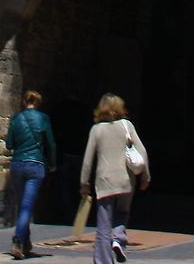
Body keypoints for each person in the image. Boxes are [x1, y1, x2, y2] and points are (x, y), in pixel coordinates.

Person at [80, 94, 149, 264]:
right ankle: (118, 238)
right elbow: (143, 152)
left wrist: (84, 184)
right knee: (123, 213)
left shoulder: (96, 130)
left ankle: (103, 261)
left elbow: (88, 161)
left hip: (104, 182)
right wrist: (145, 177)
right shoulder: (127, 126)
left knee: (103, 225)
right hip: (126, 182)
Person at [6, 90, 56, 260]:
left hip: (18, 164)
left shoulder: (16, 119)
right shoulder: (43, 119)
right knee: (27, 206)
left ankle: (25, 242)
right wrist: (53, 165)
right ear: (38, 102)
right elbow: (51, 144)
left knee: (22, 205)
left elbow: (9, 144)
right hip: (36, 165)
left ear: (24, 101)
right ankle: (18, 240)